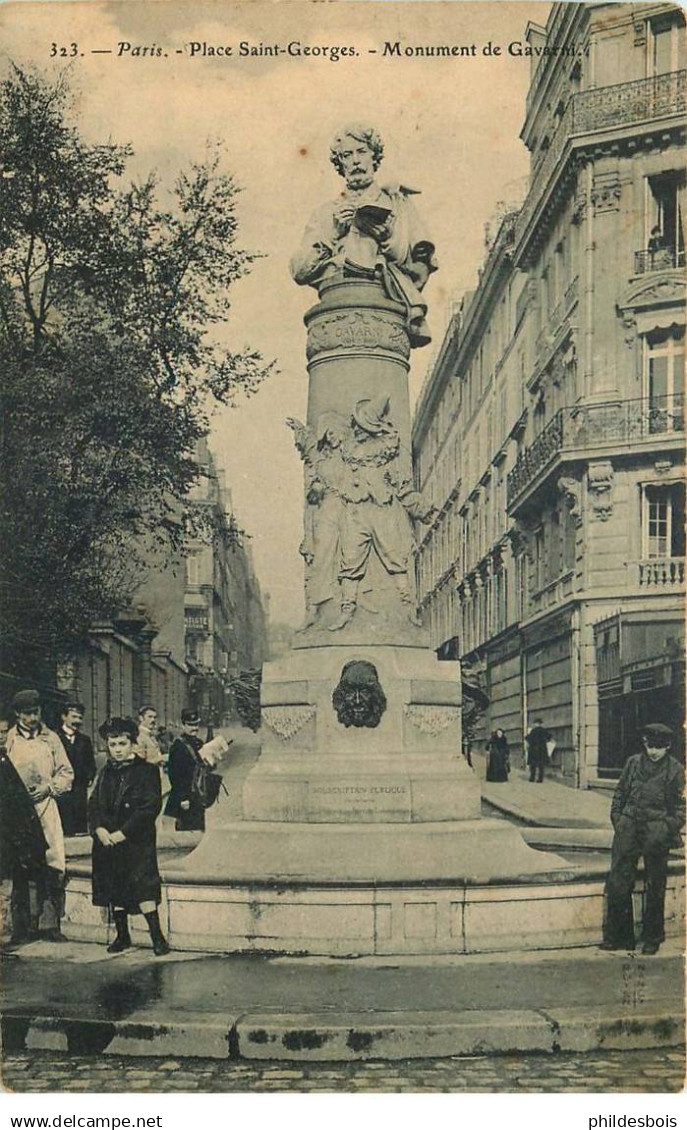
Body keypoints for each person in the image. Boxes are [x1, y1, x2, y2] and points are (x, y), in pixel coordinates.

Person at [290, 124, 437, 348]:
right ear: (340, 164)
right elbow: (299, 271)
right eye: (347, 155)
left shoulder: (399, 205)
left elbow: (418, 267)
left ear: (374, 157)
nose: (356, 161)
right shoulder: (325, 214)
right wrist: (333, 235)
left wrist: (387, 238)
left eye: (362, 152)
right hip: (336, 306)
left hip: (384, 311)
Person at [600, 722, 685, 956]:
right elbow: (620, 793)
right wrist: (618, 819)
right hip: (628, 827)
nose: (653, 752)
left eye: (659, 747)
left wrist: (665, 828)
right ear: (645, 744)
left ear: (667, 746)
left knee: (655, 884)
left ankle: (652, 938)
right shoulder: (633, 763)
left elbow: (682, 809)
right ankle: (620, 938)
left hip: (656, 832)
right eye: (650, 746)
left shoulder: (676, 770)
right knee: (618, 880)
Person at [89, 717, 169, 956]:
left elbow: (149, 807)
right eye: (112, 745)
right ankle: (122, 935)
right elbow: (93, 804)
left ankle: (157, 936)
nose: (117, 750)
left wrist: (123, 833)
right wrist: (99, 829)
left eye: (122, 744)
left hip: (136, 841)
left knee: (144, 888)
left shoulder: (147, 771)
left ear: (133, 744)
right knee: (116, 889)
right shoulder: (106, 772)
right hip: (108, 842)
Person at [6, 689, 74, 942]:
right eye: (26, 714)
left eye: (35, 713)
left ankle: (49, 925)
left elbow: (67, 772)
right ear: (17, 714)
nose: (32, 718)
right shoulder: (9, 739)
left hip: (46, 808)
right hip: (18, 813)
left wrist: (49, 788)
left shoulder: (51, 739)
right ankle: (21, 928)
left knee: (52, 864)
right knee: (20, 866)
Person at [0, 715, 49, 949]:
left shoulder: (3, 759)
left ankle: (14, 932)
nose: (1, 736)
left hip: (10, 836)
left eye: (3, 732)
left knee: (12, 886)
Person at [55, 701, 96, 835]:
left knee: (79, 824)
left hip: (79, 787)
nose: (77, 721)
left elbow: (91, 763)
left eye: (80, 718)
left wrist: (89, 776)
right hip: (61, 787)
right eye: (74, 717)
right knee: (62, 822)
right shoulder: (54, 737)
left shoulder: (85, 740)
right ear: (64, 717)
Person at [164, 709, 207, 832]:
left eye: (196, 724)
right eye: (190, 725)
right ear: (183, 725)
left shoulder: (199, 743)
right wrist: (183, 798)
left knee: (199, 829)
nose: (194, 728)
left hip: (198, 795)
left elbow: (203, 767)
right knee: (187, 830)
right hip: (185, 796)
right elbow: (175, 775)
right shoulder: (178, 746)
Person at [526, 718, 550, 783]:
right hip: (542, 750)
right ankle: (540, 778)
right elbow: (549, 737)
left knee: (533, 765)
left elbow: (528, 738)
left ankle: (532, 777)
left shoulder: (533, 731)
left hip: (534, 749)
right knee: (541, 766)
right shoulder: (544, 731)